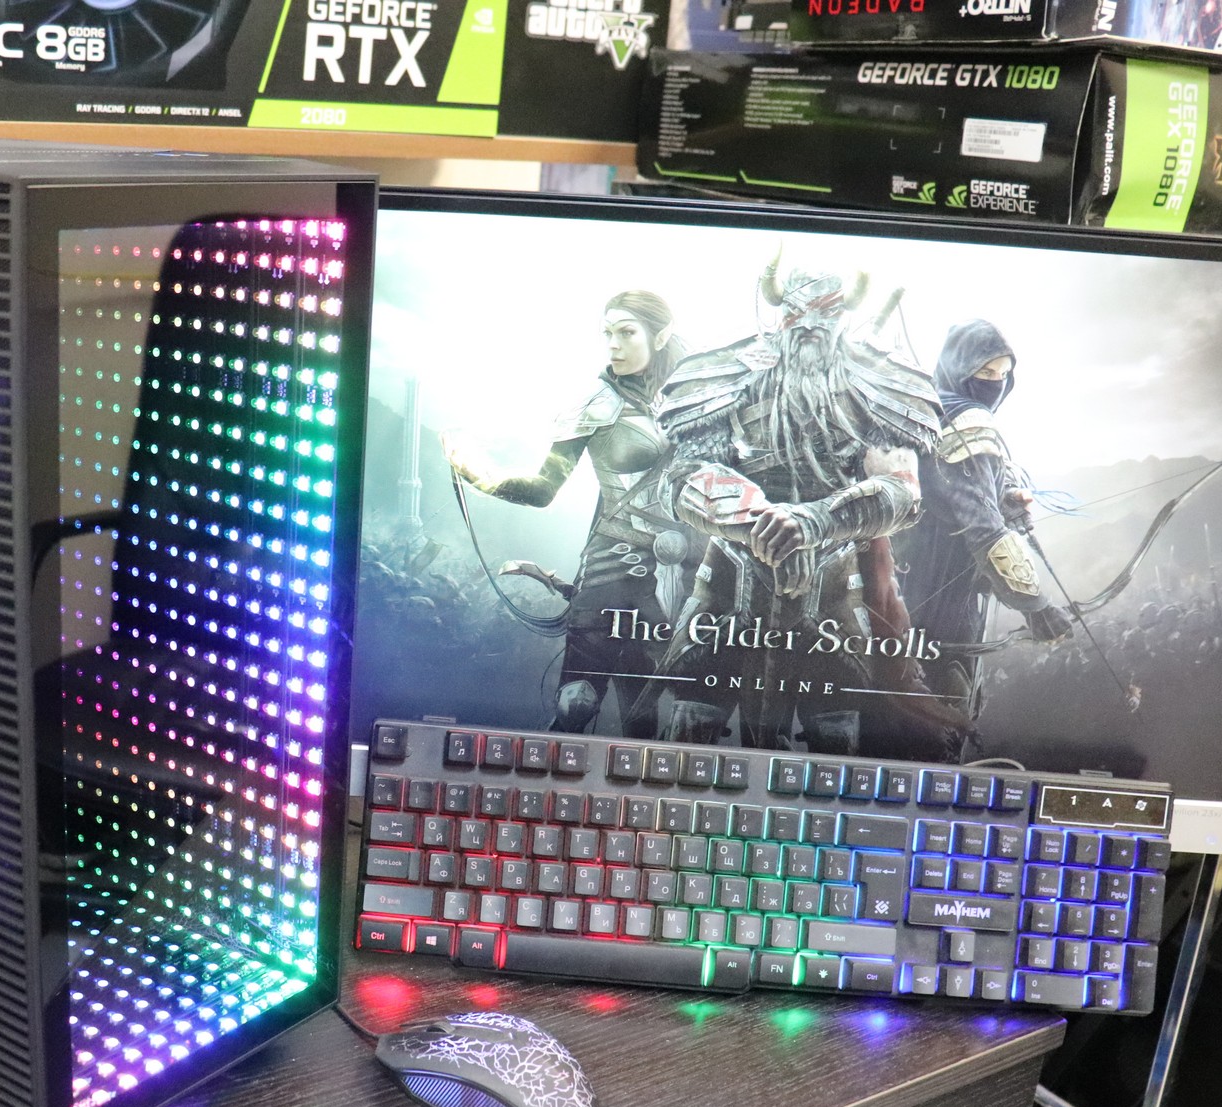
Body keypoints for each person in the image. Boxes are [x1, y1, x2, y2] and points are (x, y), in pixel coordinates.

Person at [651, 253, 941, 753]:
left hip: (832, 588)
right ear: (780, 313)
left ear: (842, 315)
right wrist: (757, 519)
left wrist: (815, 521)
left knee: (836, 743)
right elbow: (680, 478)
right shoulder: (726, 375)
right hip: (727, 583)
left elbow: (903, 492)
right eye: (796, 312)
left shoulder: (877, 382)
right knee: (688, 737)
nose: (809, 325)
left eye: (825, 312)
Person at [444, 291, 693, 735]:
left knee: (644, 717)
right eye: (608, 333)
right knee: (576, 704)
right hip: (611, 569)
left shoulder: (690, 398)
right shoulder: (596, 403)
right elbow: (543, 490)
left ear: (661, 336)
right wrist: (478, 474)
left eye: (626, 333)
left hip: (674, 577)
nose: (613, 344)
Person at [896, 319, 1071, 746]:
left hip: (901, 581)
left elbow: (958, 494)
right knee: (937, 718)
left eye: (1003, 374)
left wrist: (1006, 496)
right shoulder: (968, 422)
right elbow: (983, 527)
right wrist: (1036, 606)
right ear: (960, 369)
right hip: (940, 591)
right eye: (985, 372)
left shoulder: (923, 409)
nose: (996, 383)